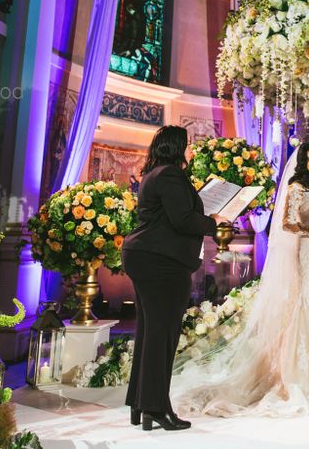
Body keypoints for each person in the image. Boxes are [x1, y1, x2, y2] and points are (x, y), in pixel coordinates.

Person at [170, 141, 309, 416]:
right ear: (302, 163)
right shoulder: (297, 188)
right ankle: (302, 375)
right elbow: (287, 222)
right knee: (307, 305)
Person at [121, 125, 230, 432]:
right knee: (162, 335)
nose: (191, 149)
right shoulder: (169, 174)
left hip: (146, 256)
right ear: (175, 147)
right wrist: (215, 221)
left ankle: (140, 404)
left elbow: (175, 212)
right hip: (160, 262)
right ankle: (155, 407)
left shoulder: (154, 173)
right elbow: (182, 219)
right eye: (188, 144)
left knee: (149, 333)